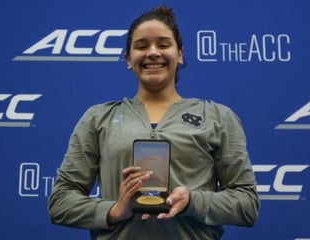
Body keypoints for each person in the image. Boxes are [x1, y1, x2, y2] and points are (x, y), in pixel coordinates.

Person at [48, 5, 260, 240]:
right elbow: (60, 201)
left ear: (179, 54)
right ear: (129, 59)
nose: (152, 52)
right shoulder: (98, 118)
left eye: (163, 44)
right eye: (141, 46)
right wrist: (114, 210)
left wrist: (192, 201)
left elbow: (247, 204)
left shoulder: (218, 117)